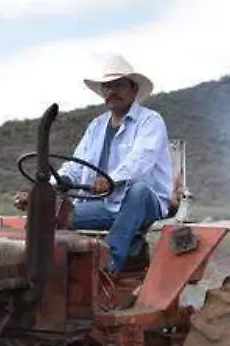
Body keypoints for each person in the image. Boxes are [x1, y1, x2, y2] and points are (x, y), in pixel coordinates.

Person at [15, 54, 174, 275]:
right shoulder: (96, 127)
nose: (111, 91)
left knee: (138, 191)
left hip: (143, 205)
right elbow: (77, 165)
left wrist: (111, 181)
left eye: (118, 85)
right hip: (105, 205)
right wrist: (48, 189)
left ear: (134, 89)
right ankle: (51, 272)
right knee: (58, 214)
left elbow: (141, 159)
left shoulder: (150, 121)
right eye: (107, 87)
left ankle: (108, 265)